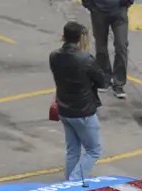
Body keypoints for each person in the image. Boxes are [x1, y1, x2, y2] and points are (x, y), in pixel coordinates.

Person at [49, 21, 108, 180]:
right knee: (94, 150)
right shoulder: (85, 59)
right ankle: (73, 182)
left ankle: (69, 180)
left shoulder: (54, 56)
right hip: (83, 111)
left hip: (64, 109)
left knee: (73, 150)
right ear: (80, 38)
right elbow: (102, 81)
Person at [83, 0, 133, 100]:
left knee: (121, 46)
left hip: (119, 11)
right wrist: (89, 4)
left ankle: (119, 83)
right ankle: (104, 78)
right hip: (99, 11)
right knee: (101, 46)